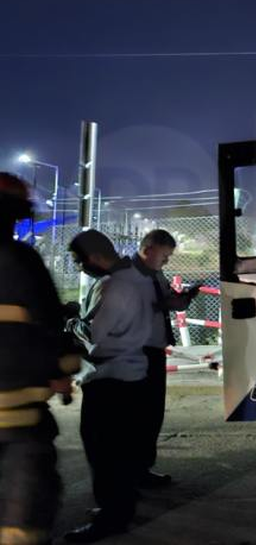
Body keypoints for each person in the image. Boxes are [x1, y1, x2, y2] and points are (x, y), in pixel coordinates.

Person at [64, 230, 158, 543]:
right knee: (122, 450)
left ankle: (111, 517)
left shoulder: (111, 285)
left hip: (109, 378)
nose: (79, 267)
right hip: (132, 374)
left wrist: (72, 322)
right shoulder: (138, 279)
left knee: (104, 453)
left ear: (93, 256)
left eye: (79, 261)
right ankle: (120, 508)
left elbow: (94, 334)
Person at [0, 173, 78, 545]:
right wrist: (63, 368)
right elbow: (48, 320)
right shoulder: (20, 259)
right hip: (17, 408)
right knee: (27, 492)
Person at [132, 229, 197, 488]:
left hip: (155, 350)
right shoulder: (127, 274)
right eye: (165, 256)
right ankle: (130, 473)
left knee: (152, 414)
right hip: (136, 353)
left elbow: (166, 302)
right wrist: (165, 304)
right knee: (137, 416)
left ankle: (142, 470)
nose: (167, 262)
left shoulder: (155, 273)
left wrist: (183, 300)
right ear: (148, 250)